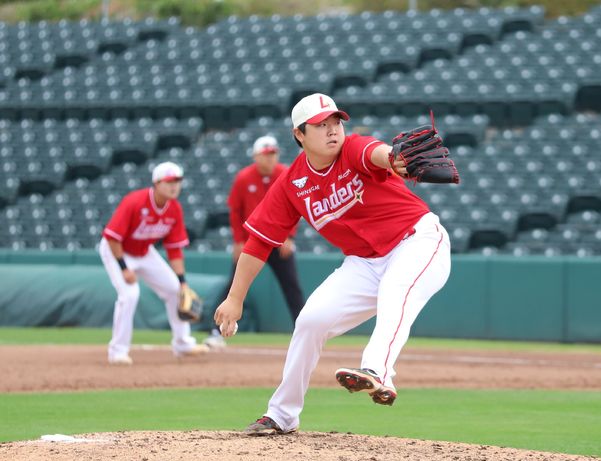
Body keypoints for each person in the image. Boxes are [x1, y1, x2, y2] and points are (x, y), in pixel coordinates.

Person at [214, 93, 451, 435]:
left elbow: (377, 152)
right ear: (299, 134)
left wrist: (393, 158)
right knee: (311, 320)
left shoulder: (352, 149)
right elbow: (260, 241)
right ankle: (282, 414)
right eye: (320, 125)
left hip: (418, 242)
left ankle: (377, 371)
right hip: (365, 263)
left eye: (336, 121)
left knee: (396, 291)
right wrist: (235, 298)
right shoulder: (291, 184)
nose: (332, 130)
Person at [99, 161, 209, 365]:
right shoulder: (135, 202)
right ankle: (118, 352)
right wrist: (124, 269)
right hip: (117, 250)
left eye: (177, 181)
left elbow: (174, 249)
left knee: (175, 290)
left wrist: (183, 281)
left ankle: (183, 344)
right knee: (130, 295)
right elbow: (113, 237)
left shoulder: (174, 209)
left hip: (144, 251)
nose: (174, 185)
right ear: (156, 183)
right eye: (169, 181)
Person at [204, 135, 305, 348]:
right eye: (266, 154)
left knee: (292, 288)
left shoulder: (284, 173)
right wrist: (238, 241)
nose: (270, 158)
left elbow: (298, 205)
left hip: (279, 242)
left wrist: (290, 236)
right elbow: (235, 211)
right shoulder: (244, 178)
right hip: (253, 244)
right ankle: (216, 331)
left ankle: (305, 333)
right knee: (234, 286)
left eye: (273, 154)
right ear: (256, 156)